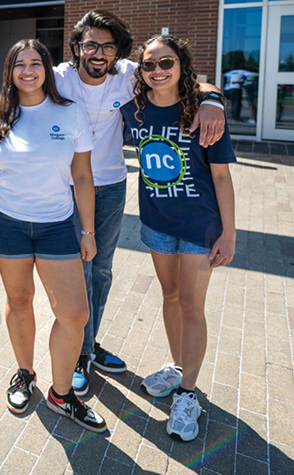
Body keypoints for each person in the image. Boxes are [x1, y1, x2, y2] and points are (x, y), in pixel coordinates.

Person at [53, 11, 225, 398]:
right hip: (65, 188)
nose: (98, 53)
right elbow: (19, 92)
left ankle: (90, 345)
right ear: (77, 46)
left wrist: (213, 100)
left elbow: (184, 78)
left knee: (101, 270)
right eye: (90, 44)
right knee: (76, 273)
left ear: (117, 51)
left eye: (108, 45)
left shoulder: (130, 73)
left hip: (111, 186)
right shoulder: (59, 77)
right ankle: (79, 354)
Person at [0, 38, 109, 434]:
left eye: (35, 63)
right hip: (6, 223)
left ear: (47, 69)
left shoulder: (69, 114)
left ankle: (62, 394)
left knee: (75, 314)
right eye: (18, 63)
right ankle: (24, 374)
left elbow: (83, 177)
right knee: (19, 301)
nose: (27, 70)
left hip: (58, 223)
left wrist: (88, 231)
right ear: (9, 71)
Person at [122, 35, 238, 443]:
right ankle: (176, 367)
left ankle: (188, 394)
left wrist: (229, 231)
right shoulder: (132, 112)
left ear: (181, 65)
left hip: (199, 228)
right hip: (156, 224)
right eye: (149, 65)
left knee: (192, 306)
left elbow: (222, 177)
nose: (157, 71)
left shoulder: (204, 114)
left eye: (166, 62)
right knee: (170, 298)